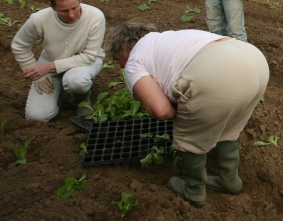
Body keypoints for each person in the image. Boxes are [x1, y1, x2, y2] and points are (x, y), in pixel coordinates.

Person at [105, 23, 269, 208]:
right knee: (226, 128)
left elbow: (161, 110)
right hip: (254, 61)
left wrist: (185, 115)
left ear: (122, 49)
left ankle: (194, 190)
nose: (120, 65)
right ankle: (229, 180)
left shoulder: (134, 61)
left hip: (217, 74)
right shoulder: (167, 38)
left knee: (188, 139)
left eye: (117, 60)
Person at [11, 0, 105, 122]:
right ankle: (63, 92)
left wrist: (48, 67)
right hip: (52, 61)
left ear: (79, 0)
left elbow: (89, 56)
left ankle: (81, 98)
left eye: (75, 8)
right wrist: (37, 75)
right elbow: (19, 45)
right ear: (53, 7)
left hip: (84, 62)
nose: (72, 14)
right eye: (64, 11)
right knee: (37, 117)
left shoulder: (95, 16)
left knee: (76, 81)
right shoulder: (39, 19)